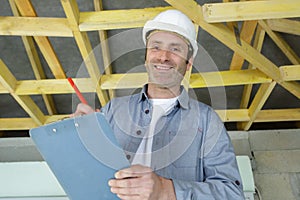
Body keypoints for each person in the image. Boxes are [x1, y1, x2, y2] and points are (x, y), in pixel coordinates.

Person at [73, 9, 244, 200]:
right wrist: (80, 133)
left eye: (175, 49)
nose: (163, 56)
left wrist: (165, 190)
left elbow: (232, 194)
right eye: (155, 47)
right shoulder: (113, 110)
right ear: (146, 57)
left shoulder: (206, 120)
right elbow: (87, 169)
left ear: (188, 63)